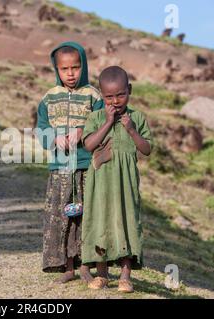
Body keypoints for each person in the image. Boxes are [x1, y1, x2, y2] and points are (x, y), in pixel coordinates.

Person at [36, 41, 104, 284]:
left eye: (75, 67)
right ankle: (67, 265)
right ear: (57, 70)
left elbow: (101, 123)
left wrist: (81, 131)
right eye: (65, 69)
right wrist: (54, 137)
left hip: (87, 166)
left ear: (83, 66)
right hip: (61, 167)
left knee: (87, 216)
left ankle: (87, 264)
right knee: (62, 215)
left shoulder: (93, 95)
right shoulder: (49, 98)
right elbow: (41, 128)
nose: (71, 73)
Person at [81, 66, 152, 293]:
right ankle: (102, 275)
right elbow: (89, 145)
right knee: (100, 224)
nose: (115, 101)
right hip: (100, 185)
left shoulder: (137, 118)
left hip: (126, 186)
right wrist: (108, 123)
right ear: (102, 95)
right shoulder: (96, 117)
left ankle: (125, 276)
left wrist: (131, 130)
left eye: (120, 94)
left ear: (129, 90)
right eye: (109, 96)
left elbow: (147, 149)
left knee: (127, 223)